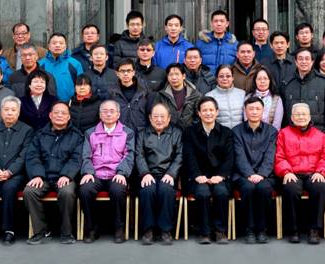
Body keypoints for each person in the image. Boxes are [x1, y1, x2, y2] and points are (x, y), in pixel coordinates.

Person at [24, 101, 83, 245]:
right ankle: (41, 231)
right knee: (29, 191)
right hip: (43, 176)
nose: (60, 115)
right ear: (50, 115)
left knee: (67, 192)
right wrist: (37, 175)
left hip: (64, 176)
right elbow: (32, 156)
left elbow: (76, 159)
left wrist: (66, 175)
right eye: (56, 112)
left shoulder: (76, 136)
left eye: (63, 113)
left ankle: (66, 232)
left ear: (69, 117)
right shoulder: (40, 134)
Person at [0, 96, 34, 245]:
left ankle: (9, 230)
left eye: (13, 110)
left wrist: (10, 172)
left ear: (19, 112)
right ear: (1, 111)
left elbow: (24, 155)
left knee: (9, 189)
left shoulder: (27, 130)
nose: (9, 113)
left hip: (15, 175)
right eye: (6, 109)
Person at [275, 103, 325, 244]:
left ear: (309, 117)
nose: (301, 117)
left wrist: (321, 172)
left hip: (313, 172)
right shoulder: (283, 133)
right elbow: (279, 157)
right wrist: (286, 171)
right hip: (292, 172)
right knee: (290, 188)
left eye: (304, 114)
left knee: (320, 187)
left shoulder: (321, 136)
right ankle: (293, 229)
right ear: (292, 117)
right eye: (298, 114)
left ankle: (314, 229)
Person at [79, 100, 135, 243]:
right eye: (105, 111)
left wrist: (121, 173)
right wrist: (88, 172)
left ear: (118, 114)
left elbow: (129, 155)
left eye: (112, 111)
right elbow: (86, 156)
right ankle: (92, 228)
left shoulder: (127, 133)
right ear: (100, 114)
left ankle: (119, 228)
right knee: (85, 190)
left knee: (118, 190)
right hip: (96, 173)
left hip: (116, 173)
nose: (108, 114)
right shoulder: (90, 133)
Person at [182, 96, 234, 244]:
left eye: (211, 110)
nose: (208, 113)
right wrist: (197, 175)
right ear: (199, 113)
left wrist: (221, 176)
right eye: (204, 110)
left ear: (217, 112)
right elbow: (189, 156)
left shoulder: (226, 132)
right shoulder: (190, 132)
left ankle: (220, 231)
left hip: (219, 176)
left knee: (221, 192)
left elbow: (229, 158)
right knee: (202, 193)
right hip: (198, 177)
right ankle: (204, 232)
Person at [232, 97, 278, 244]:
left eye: (258, 109)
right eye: (250, 109)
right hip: (243, 175)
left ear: (263, 111)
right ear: (245, 111)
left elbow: (270, 156)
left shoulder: (271, 131)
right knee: (248, 188)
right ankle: (249, 228)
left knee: (264, 188)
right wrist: (249, 174)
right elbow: (239, 156)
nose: (254, 112)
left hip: (266, 175)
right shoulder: (236, 131)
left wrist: (261, 174)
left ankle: (262, 229)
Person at [136, 102, 183, 245]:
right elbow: (139, 155)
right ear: (150, 118)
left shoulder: (176, 133)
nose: (159, 119)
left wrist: (171, 173)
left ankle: (165, 230)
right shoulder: (142, 133)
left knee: (166, 190)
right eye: (156, 116)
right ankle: (148, 230)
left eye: (163, 116)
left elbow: (180, 155)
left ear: (169, 118)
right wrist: (145, 173)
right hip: (148, 173)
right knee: (147, 190)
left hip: (167, 173)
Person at [282, 48, 325, 133]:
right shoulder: (287, 83)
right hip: (292, 133)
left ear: (312, 62)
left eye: (307, 59)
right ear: (296, 62)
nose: (304, 62)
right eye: (300, 59)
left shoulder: (324, 83)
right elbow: (284, 114)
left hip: (317, 133)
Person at [38, 33, 84, 102]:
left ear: (65, 46)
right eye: (54, 43)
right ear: (49, 46)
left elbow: (81, 86)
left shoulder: (75, 64)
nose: (57, 45)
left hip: (69, 104)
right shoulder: (40, 64)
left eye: (61, 43)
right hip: (46, 104)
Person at [108, 59, 152, 131]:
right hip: (119, 132)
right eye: (122, 71)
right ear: (117, 73)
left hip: (141, 132)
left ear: (133, 72)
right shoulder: (111, 92)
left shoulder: (144, 91)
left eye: (129, 71)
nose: (125, 74)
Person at [154, 63, 202, 129]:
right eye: (171, 75)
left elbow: (199, 116)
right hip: (168, 132)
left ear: (183, 76)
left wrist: (191, 130)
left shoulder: (195, 95)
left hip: (189, 132)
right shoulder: (161, 95)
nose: (174, 77)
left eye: (177, 74)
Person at [206, 65, 246, 130]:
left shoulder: (242, 94)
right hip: (220, 134)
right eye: (221, 76)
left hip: (239, 133)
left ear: (233, 78)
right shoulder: (210, 96)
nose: (225, 79)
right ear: (217, 78)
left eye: (228, 76)